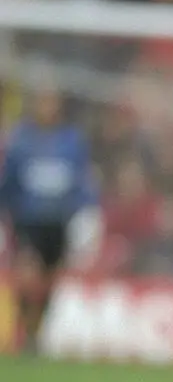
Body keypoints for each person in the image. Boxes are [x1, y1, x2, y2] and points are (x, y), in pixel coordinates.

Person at [0, 88, 101, 355]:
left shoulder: (71, 141)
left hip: (58, 221)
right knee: (27, 273)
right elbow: (8, 181)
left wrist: (87, 213)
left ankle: (36, 330)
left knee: (49, 279)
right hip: (28, 219)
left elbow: (82, 181)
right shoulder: (21, 140)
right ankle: (23, 324)